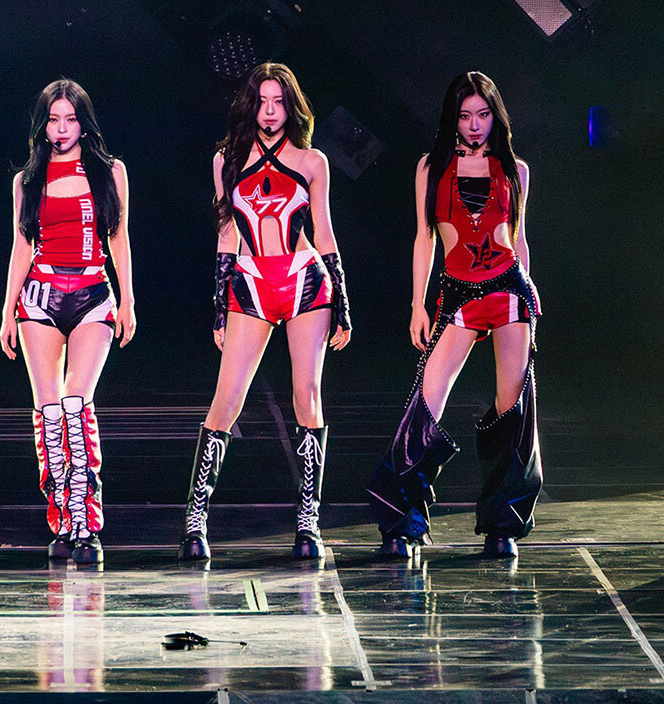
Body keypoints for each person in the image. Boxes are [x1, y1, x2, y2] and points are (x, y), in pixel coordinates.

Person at [177, 62, 352, 562]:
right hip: (251, 281)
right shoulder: (227, 160)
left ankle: (308, 521)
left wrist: (342, 303)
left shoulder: (312, 161)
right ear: (250, 105)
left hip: (304, 280)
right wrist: (219, 309)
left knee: (307, 394)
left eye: (278, 102)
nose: (270, 111)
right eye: (262, 102)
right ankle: (195, 521)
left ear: (291, 107)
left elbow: (324, 232)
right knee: (227, 399)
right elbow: (226, 235)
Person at [366, 71, 542, 559]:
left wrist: (531, 295)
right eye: (465, 116)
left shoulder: (516, 169)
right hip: (457, 292)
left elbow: (519, 238)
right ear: (453, 119)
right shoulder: (432, 167)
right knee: (427, 402)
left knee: (511, 407)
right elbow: (424, 238)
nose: (475, 125)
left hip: (508, 288)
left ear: (495, 117)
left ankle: (503, 527)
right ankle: (402, 521)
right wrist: (417, 303)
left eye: (483, 115)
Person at [0, 79, 136, 564]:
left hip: (93, 293)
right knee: (50, 412)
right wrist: (7, 311)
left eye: (70, 119)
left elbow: (119, 237)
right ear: (43, 125)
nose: (61, 129)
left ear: (84, 122)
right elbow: (21, 245)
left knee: (77, 402)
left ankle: (86, 524)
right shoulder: (27, 179)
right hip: (39, 296)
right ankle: (62, 522)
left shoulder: (110, 171)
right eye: (53, 120)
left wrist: (128, 300)